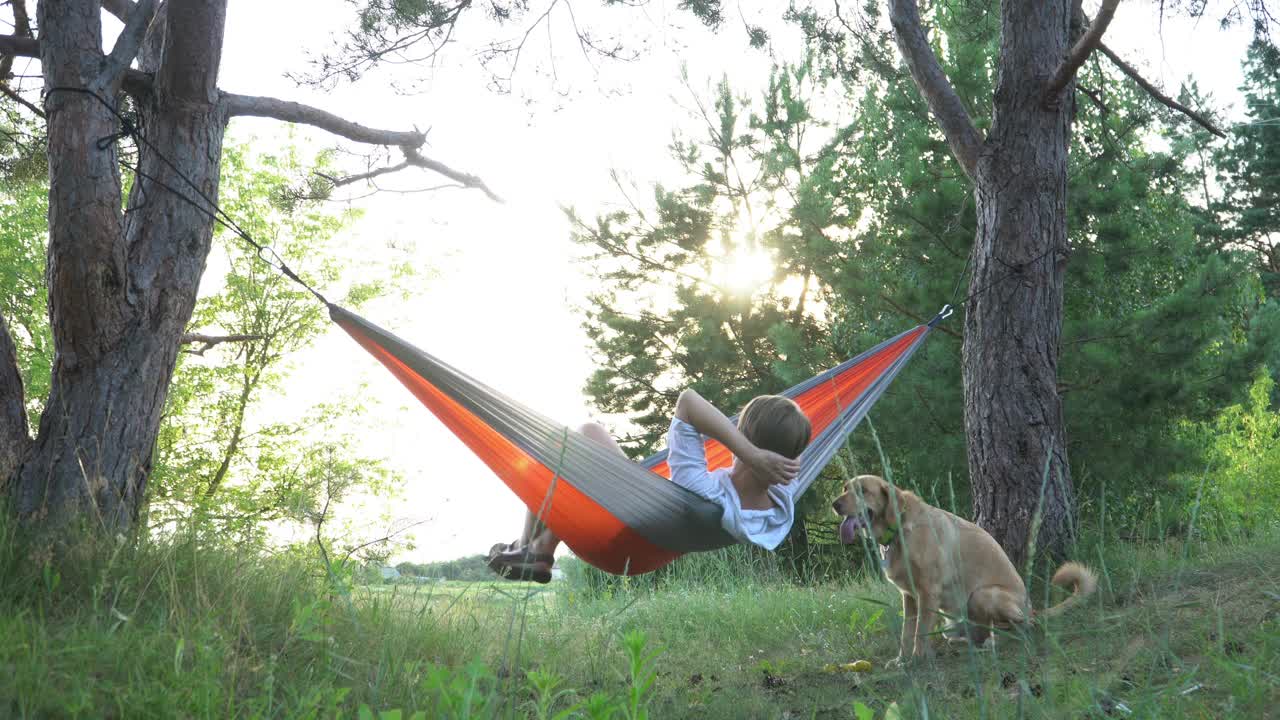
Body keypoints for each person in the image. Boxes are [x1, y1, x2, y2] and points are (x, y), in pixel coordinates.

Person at [486, 388, 812, 582]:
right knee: (585, 438)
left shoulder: (701, 490)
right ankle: (534, 546)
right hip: (648, 548)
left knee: (569, 441)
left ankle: (533, 547)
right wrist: (765, 458)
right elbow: (790, 453)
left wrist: (750, 453)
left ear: (747, 443)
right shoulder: (780, 505)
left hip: (622, 536)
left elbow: (687, 401)